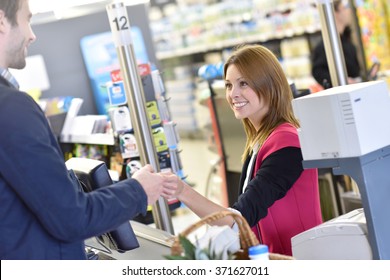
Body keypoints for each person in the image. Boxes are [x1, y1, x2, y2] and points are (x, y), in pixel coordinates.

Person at [0, 0, 177, 260]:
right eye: (27, 20)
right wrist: (138, 190)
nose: (32, 34)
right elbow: (71, 218)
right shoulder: (11, 108)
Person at [163, 44, 323, 256]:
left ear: (269, 85)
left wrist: (182, 190)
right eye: (229, 85)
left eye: (244, 84)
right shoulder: (260, 140)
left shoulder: (287, 143)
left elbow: (239, 219)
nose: (233, 94)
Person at [311, 0, 361, 89]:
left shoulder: (346, 40)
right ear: (335, 12)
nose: (349, 11)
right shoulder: (326, 46)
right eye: (344, 8)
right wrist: (342, 81)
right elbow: (317, 71)